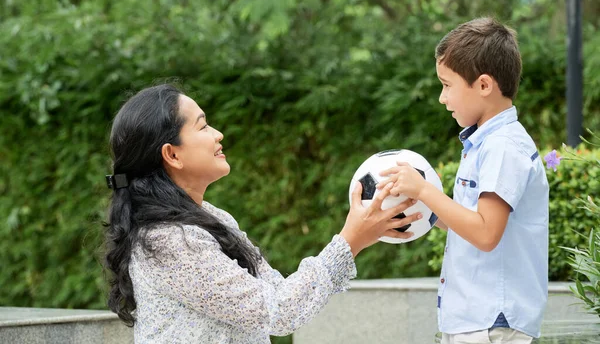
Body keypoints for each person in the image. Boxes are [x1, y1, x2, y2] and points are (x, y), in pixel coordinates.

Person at [103, 83, 421, 343]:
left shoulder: (214, 217)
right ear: (172, 154)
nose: (218, 134)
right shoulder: (168, 240)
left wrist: (358, 237)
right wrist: (350, 240)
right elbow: (277, 312)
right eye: (202, 126)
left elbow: (279, 295)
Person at [377, 18, 549, 343]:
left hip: (493, 323)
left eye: (446, 85)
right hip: (474, 321)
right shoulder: (485, 144)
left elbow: (485, 233)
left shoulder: (503, 147)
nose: (442, 98)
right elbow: (472, 223)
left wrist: (425, 189)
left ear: (484, 85)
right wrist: (420, 208)